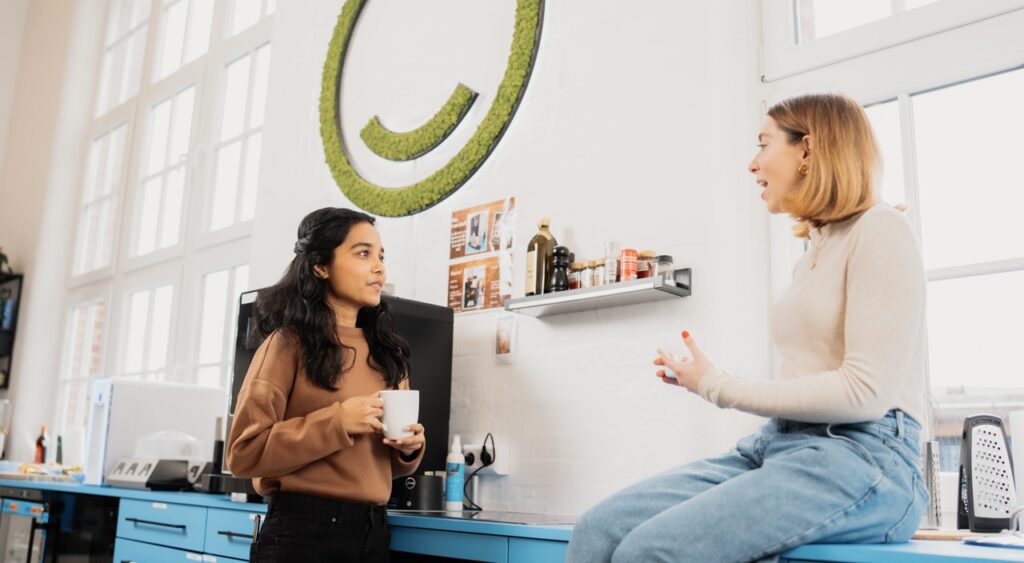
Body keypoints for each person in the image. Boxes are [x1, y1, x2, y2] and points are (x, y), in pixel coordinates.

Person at [567, 93, 929, 563]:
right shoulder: (815, 252)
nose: (753, 164)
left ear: (807, 149)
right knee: (597, 530)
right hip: (780, 444)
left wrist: (716, 384)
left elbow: (865, 393)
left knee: (649, 551)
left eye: (763, 144)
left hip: (866, 457)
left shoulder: (881, 227)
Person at [227, 207, 425, 563]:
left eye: (381, 257)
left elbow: (381, 467)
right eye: (363, 254)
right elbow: (244, 454)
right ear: (320, 266)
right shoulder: (286, 344)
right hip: (302, 532)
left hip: (373, 531)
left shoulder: (388, 353)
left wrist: (409, 449)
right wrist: (338, 422)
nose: (379, 268)